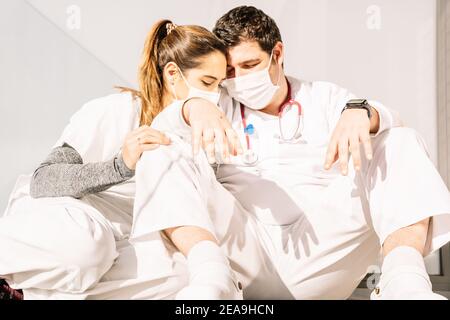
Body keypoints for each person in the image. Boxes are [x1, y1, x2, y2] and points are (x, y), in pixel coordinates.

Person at [137, 6, 450, 299]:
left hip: (323, 253)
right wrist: (191, 108)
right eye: (231, 72)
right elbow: (161, 131)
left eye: (250, 65)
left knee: (399, 140)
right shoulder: (217, 104)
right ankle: (209, 278)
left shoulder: (324, 97)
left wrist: (364, 112)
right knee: (161, 150)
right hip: (244, 257)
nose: (240, 79)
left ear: (277, 53)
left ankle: (406, 282)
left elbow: (394, 125)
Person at [0, 20, 243, 300]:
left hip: (120, 241)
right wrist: (120, 166)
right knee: (89, 248)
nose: (214, 95)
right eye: (207, 83)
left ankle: (23, 294)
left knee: (182, 274)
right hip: (74, 218)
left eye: (220, 86)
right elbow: (43, 181)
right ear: (173, 74)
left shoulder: (199, 138)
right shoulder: (117, 110)